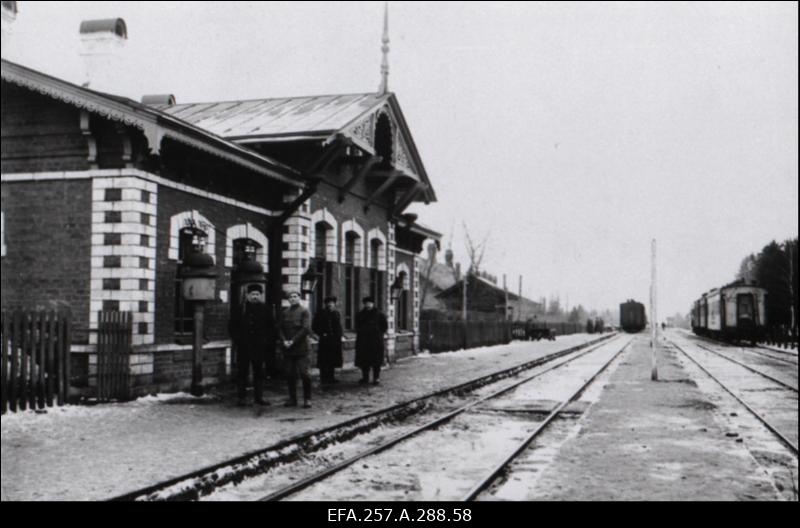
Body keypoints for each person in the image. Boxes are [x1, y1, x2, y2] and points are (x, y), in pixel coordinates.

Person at [230, 284, 274, 406]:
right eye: (252, 294)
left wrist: (266, 341)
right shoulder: (240, 309)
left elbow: (271, 328)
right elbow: (232, 327)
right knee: (242, 372)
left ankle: (259, 397)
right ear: (247, 295)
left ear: (261, 295)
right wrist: (238, 340)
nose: (255, 297)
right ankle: (241, 398)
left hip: (259, 347)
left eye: (257, 294)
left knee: (259, 372)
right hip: (243, 347)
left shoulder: (266, 309)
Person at [279, 291, 312, 408]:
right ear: (288, 300)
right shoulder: (284, 313)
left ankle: (307, 399)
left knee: (304, 374)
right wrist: (284, 340)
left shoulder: (304, 311)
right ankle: (292, 399)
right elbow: (280, 329)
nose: (292, 299)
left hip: (301, 348)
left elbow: (305, 328)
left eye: (295, 297)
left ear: (299, 298)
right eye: (290, 297)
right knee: (289, 374)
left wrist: (293, 341)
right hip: (288, 349)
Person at [355, 296, 388, 385]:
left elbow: (384, 327)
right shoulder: (360, 315)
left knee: (376, 361)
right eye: (366, 303)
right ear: (364, 304)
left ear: (373, 304)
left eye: (370, 303)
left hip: (375, 341)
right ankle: (365, 378)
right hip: (364, 341)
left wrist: (377, 333)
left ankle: (376, 378)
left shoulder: (379, 314)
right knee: (364, 360)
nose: (368, 305)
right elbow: (357, 326)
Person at [312, 296, 343, 385]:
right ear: (325, 304)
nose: (330, 304)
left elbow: (338, 327)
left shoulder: (336, 313)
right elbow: (314, 326)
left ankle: (331, 377)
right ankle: (323, 377)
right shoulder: (320, 313)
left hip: (335, 340)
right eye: (328, 303)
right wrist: (322, 333)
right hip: (325, 340)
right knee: (324, 359)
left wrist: (339, 335)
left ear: (334, 304)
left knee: (333, 359)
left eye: (332, 303)